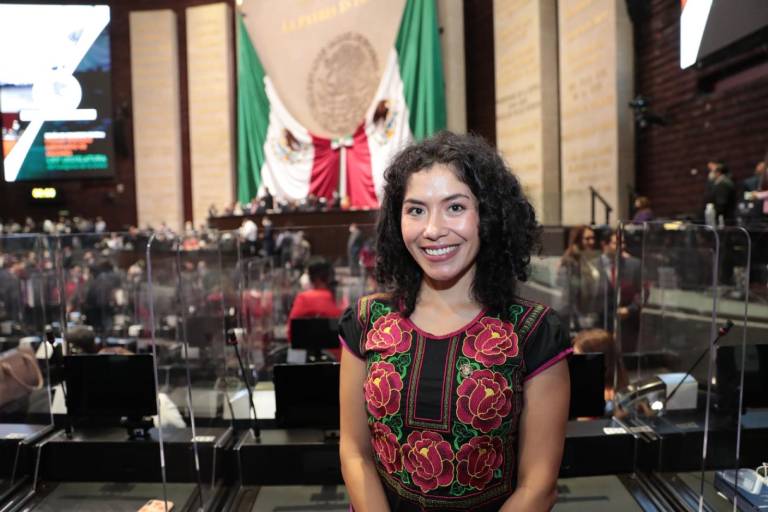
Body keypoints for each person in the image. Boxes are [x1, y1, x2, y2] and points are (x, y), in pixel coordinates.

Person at [338, 132, 571, 511]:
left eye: (455, 207)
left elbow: (539, 486)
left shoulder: (533, 331)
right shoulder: (366, 321)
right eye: (416, 210)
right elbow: (354, 452)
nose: (432, 229)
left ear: (488, 216)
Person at [557, 226, 601, 331]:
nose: (592, 241)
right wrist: (578, 319)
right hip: (578, 318)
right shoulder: (571, 260)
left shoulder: (585, 257)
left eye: (593, 238)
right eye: (587, 238)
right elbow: (570, 293)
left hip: (587, 312)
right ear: (578, 240)